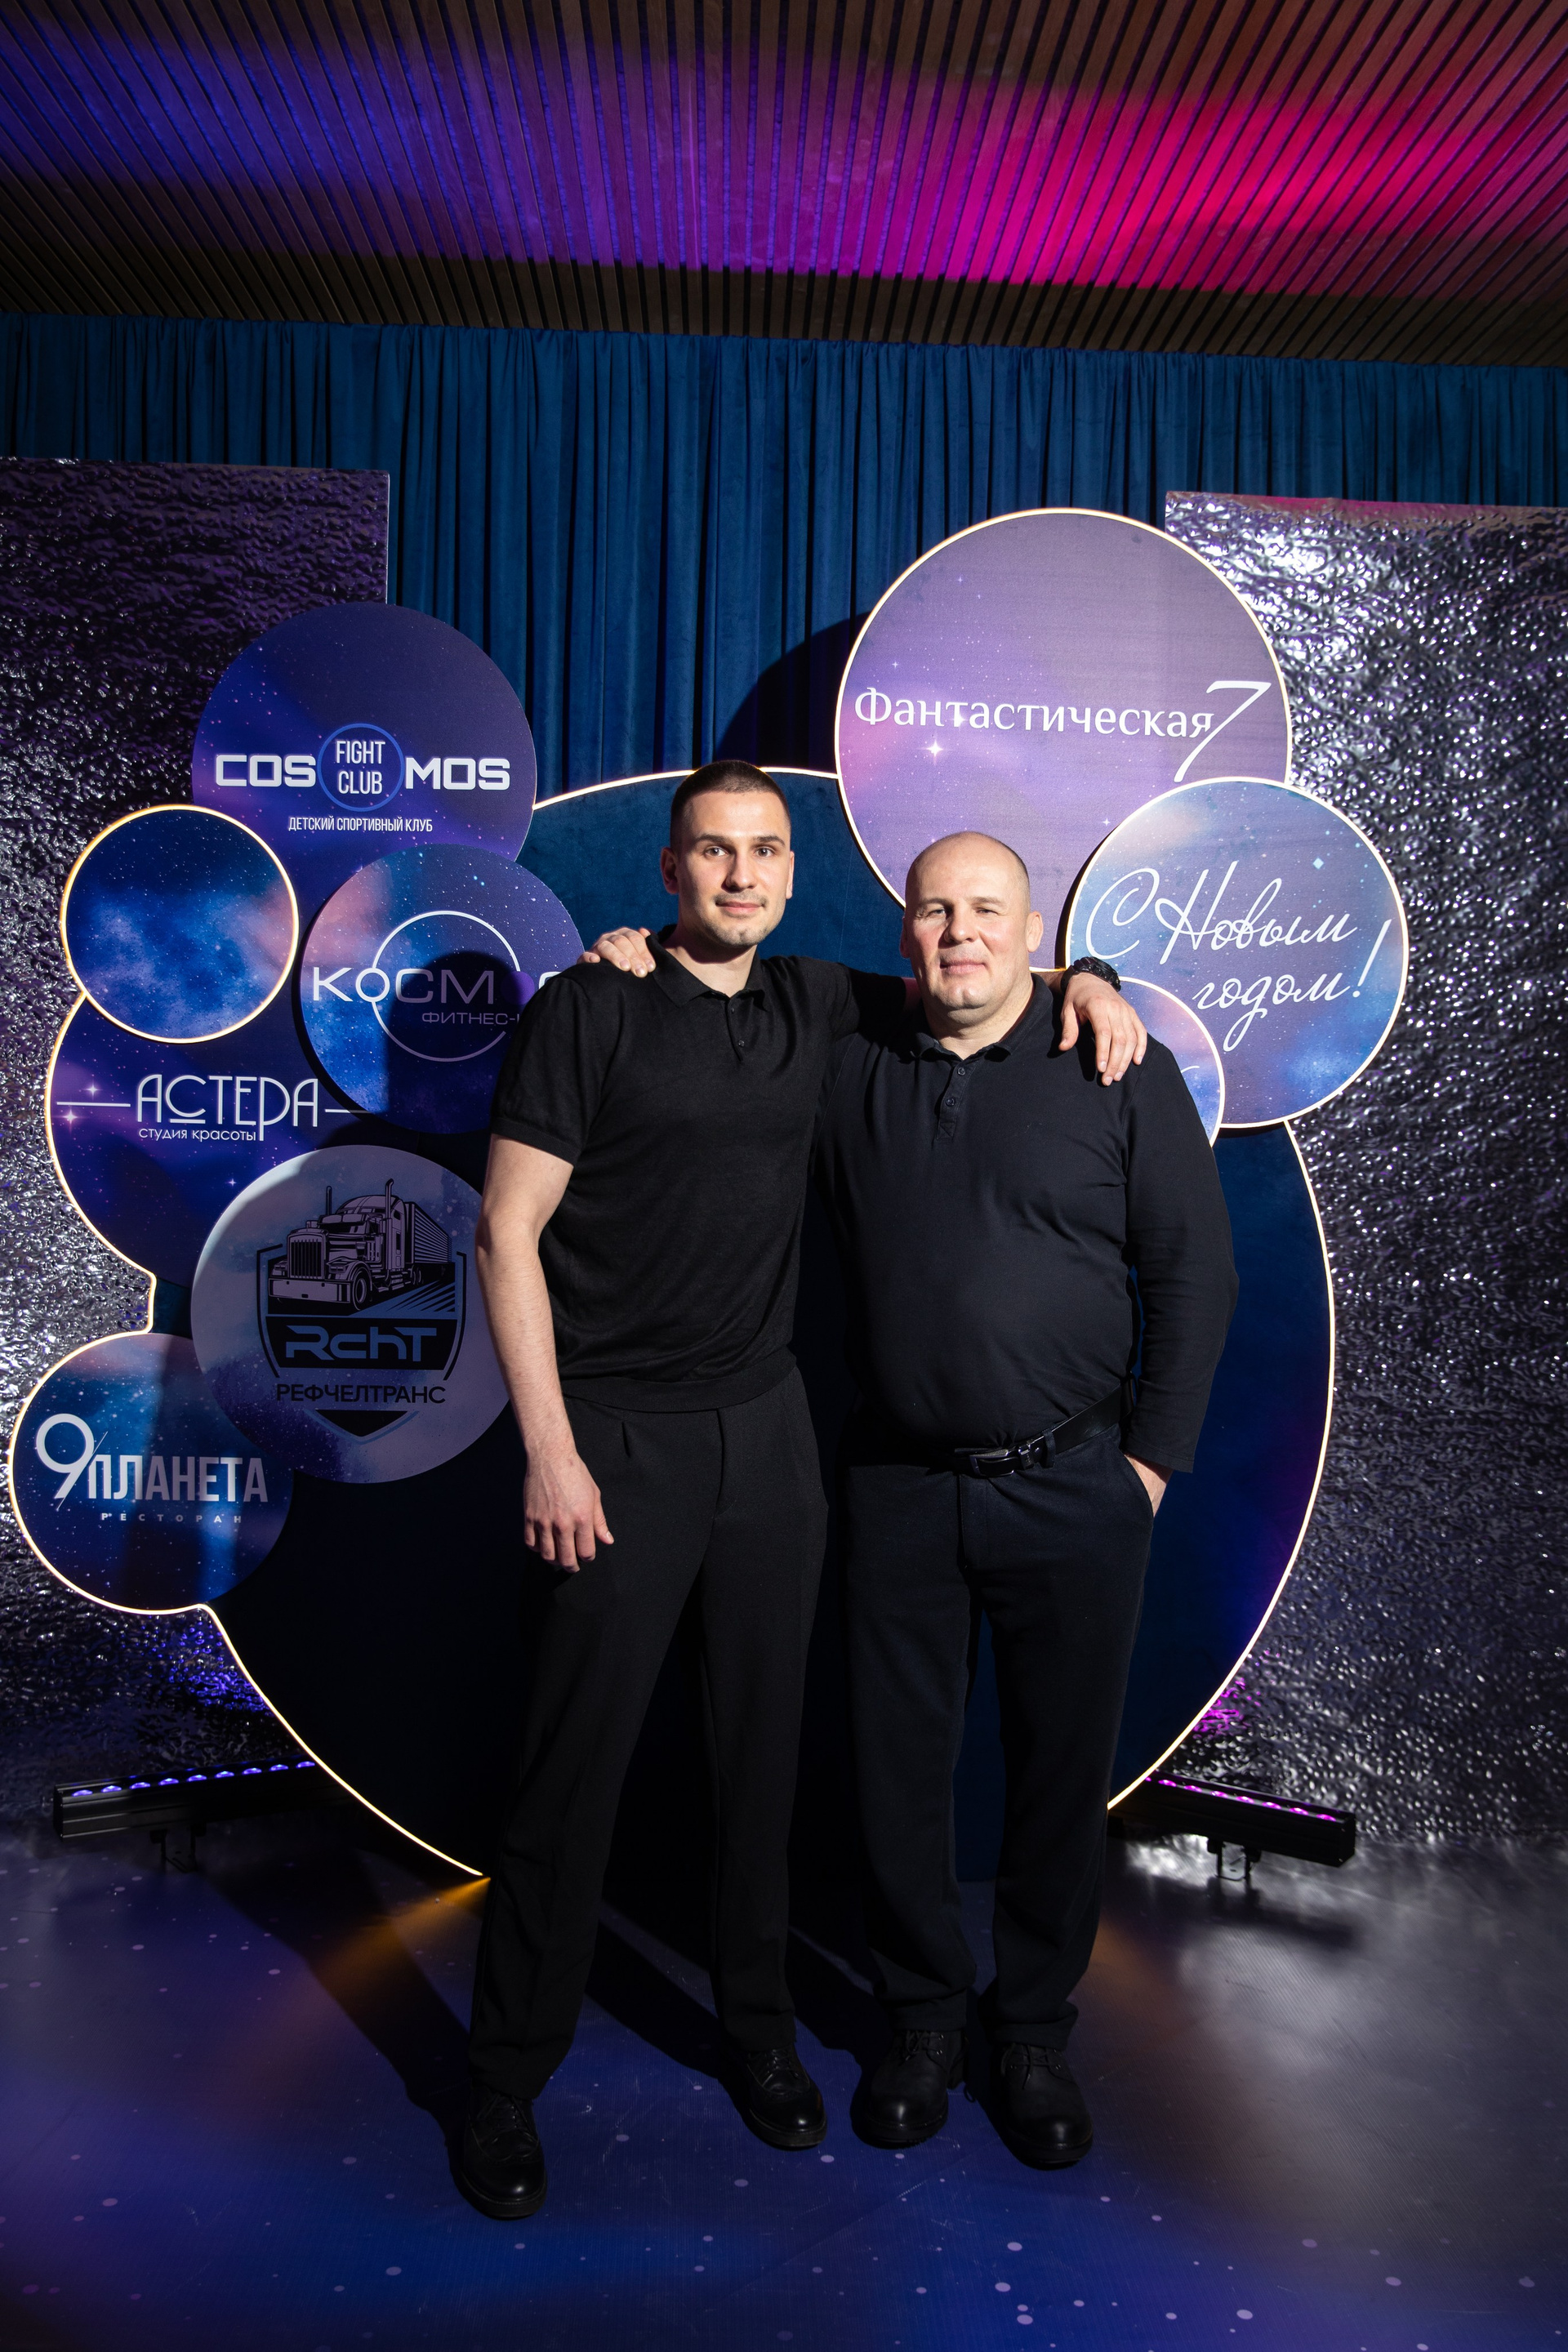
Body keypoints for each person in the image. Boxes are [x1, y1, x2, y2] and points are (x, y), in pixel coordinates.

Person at [457, 762, 1136, 2220]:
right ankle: (503, 2079)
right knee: (570, 1775)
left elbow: (975, 983)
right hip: (613, 1437)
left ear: (787, 870)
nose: (743, 874)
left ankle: (757, 2035)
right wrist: (551, 1450)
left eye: (765, 850)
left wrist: (1096, 977)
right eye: (714, 851)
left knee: (761, 1764)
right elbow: (505, 1235)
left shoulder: (819, 1004)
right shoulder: (589, 1008)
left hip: (766, 1434)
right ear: (669, 872)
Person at [814, 831, 1237, 2169]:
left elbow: (1195, 1271)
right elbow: (726, 985)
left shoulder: (1111, 1062)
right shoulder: (849, 1053)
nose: (961, 934)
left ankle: (1035, 2031)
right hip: (896, 1486)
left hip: (1075, 1482)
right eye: (936, 910)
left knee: (1062, 1777)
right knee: (895, 1774)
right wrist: (627, 955)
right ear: (904, 932)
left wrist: (1148, 1467)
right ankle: (923, 2020)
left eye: (987, 910)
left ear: (1033, 928)